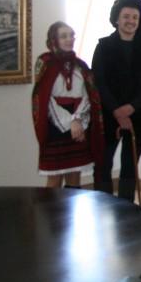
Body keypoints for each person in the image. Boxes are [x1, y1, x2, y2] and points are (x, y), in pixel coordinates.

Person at [92, 0, 141, 201]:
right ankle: (102, 207)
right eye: (126, 16)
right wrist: (117, 111)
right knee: (103, 166)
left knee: (130, 167)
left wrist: (129, 108)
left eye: (135, 17)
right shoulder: (103, 46)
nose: (131, 21)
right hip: (108, 114)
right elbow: (98, 82)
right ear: (117, 19)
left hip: (139, 114)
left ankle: (125, 211)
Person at [32, 21, 104, 188]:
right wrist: (68, 122)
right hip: (55, 124)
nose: (69, 39)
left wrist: (77, 120)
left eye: (72, 35)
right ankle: (51, 206)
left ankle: (71, 205)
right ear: (54, 40)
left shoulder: (81, 66)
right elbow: (44, 98)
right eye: (63, 36)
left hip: (78, 123)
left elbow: (89, 95)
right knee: (54, 177)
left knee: (74, 175)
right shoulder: (45, 63)